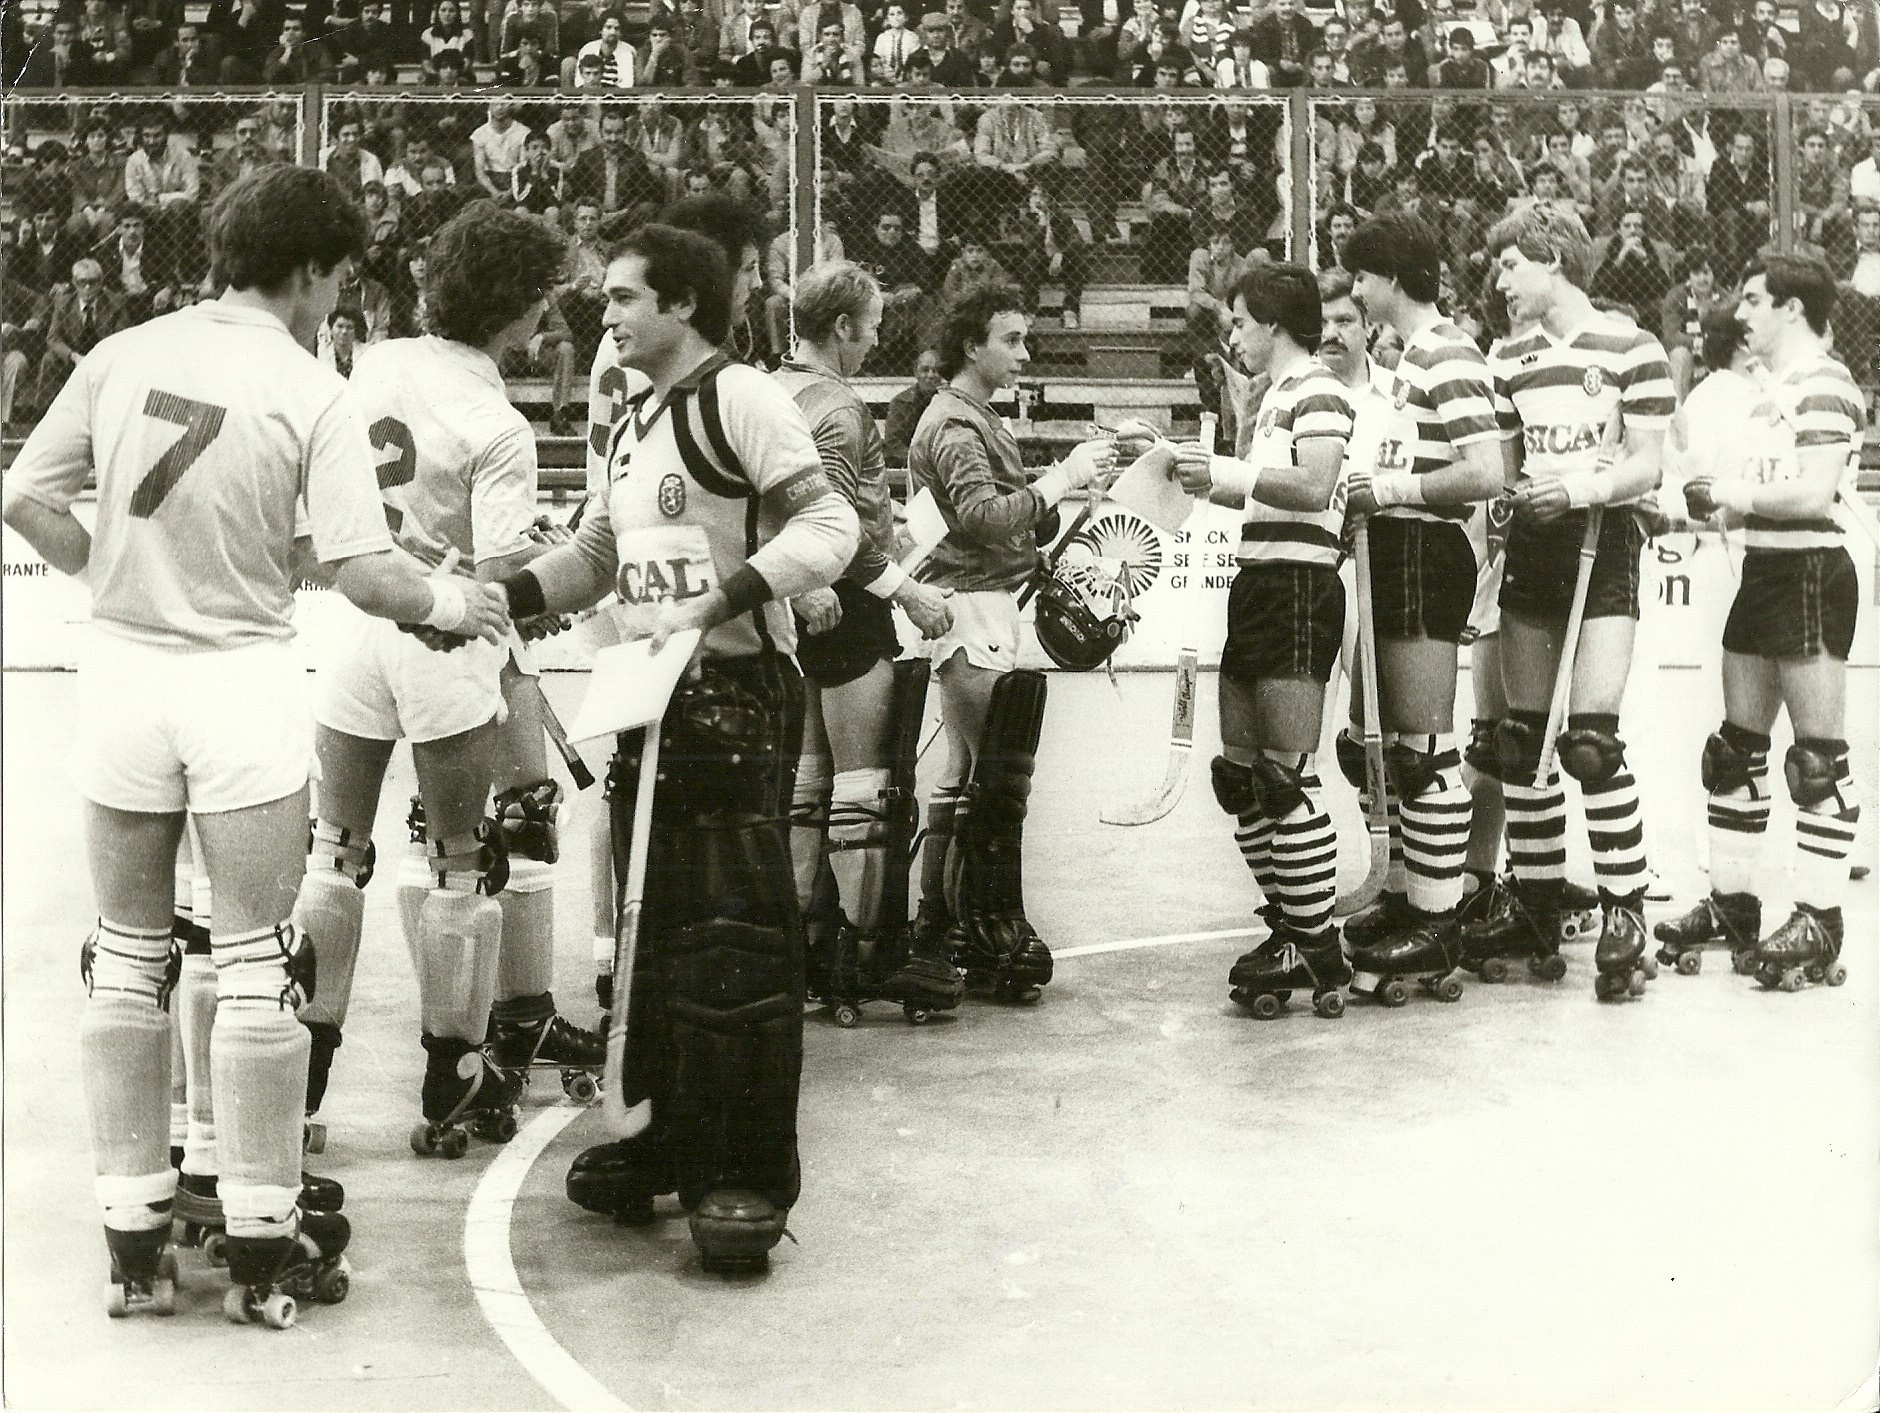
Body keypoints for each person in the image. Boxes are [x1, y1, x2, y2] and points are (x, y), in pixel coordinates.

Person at [0, 166, 510, 1323]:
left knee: (128, 959)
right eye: (337, 279)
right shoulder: (307, 386)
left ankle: (133, 1244)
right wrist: (453, 602)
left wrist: (110, 574)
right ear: (313, 270)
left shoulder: (123, 352)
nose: (337, 300)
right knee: (254, 966)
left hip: (122, 677)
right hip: (235, 685)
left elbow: (23, 498)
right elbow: (366, 572)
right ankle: (262, 1245)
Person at [504, 222, 858, 1274]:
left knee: (736, 941)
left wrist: (721, 600)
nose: (604, 314)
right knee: (653, 934)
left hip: (738, 699)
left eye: (623, 297)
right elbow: (593, 558)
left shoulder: (740, 399)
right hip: (650, 707)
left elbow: (829, 530)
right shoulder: (631, 418)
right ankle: (663, 1136)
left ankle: (744, 1169)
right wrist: (499, 599)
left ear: (684, 305)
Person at [294, 201, 599, 1157]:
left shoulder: (379, 361)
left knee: (334, 850)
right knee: (462, 859)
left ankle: (303, 1079)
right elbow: (502, 577)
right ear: (521, 306)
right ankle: (451, 1077)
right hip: (445, 640)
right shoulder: (498, 423)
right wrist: (564, 570)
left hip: (356, 620)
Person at [1467, 205, 1676, 1002]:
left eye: (1509, 265)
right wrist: (1505, 502)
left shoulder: (1632, 347)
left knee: (1589, 743)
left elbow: (1647, 464)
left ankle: (1626, 910)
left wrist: (1581, 488)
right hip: (1534, 545)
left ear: (1551, 257)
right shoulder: (1507, 357)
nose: (1500, 282)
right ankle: (1538, 906)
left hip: (1601, 541)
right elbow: (1505, 467)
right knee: (1523, 742)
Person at [1654, 260, 1864, 989]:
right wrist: (1679, 509)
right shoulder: (1765, 392)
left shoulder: (1826, 384)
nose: (1739, 314)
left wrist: (1728, 490)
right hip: (1764, 569)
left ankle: (1820, 918)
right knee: (1734, 753)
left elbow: (1812, 493)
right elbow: (1744, 499)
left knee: (1816, 762)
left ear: (1793, 308)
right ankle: (1733, 907)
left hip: (1810, 573)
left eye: (1752, 301)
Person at [906, 281, 1115, 1004]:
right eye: (1012, 340)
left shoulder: (968, 416)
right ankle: (983, 927)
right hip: (969, 609)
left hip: (978, 605)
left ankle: (947, 926)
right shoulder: (956, 424)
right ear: (973, 346)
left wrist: (1046, 519)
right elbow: (985, 517)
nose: (1025, 353)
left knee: (966, 778)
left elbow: (1001, 521)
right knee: (994, 786)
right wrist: (1064, 477)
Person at [1157, 263, 1356, 1015]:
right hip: (1258, 581)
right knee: (1239, 778)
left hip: (1299, 588)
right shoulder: (1274, 395)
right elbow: (1253, 489)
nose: (1233, 335)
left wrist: (1228, 472)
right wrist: (1181, 466)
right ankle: (1290, 926)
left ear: (1273, 323)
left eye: (1240, 322)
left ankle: (1319, 949)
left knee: (1284, 779)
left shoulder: (1319, 391)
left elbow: (1314, 485)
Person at [774, 263, 960, 1023]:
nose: (878, 339)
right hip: (847, 608)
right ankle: (867, 951)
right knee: (862, 789)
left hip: (794, 603)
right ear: (843, 327)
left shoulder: (771, 390)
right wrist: (907, 590)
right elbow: (832, 524)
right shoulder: (843, 408)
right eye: (873, 325)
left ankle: (804, 948)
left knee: (806, 789)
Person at [1339, 212, 1503, 994]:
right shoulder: (1405, 358)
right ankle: (1409, 897)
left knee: (1424, 750)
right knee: (1383, 748)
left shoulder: (1448, 351)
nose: (1356, 292)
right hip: (1391, 550)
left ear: (1394, 278)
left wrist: (1391, 489)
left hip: (1425, 553)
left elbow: (1486, 471)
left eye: (1363, 277)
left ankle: (1438, 925)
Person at [884, 347, 944, 466]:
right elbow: (893, 441)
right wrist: (917, 461)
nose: (930, 375)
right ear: (916, 373)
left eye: (936, 370)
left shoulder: (949, 401)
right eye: (925, 370)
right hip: (908, 463)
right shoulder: (901, 402)